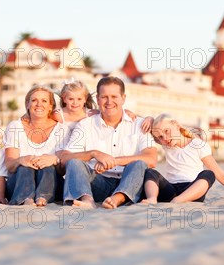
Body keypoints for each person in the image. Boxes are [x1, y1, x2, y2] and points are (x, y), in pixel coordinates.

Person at [59, 76, 157, 209]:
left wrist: (114, 161)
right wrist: (94, 153)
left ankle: (117, 199)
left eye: (114, 96)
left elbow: (151, 159)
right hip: (97, 183)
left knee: (139, 164)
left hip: (130, 183)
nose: (109, 101)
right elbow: (64, 158)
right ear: (98, 99)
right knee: (74, 162)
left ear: (123, 98)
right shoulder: (85, 125)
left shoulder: (139, 124)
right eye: (104, 97)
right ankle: (87, 200)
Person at [142, 113, 224, 204]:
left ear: (176, 125)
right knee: (150, 172)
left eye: (167, 131)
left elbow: (219, 173)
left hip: (192, 191)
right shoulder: (166, 144)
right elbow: (148, 129)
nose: (165, 138)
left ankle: (178, 200)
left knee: (209, 174)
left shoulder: (198, 144)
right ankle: (152, 198)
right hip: (171, 190)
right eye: (160, 137)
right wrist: (149, 118)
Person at [4, 85, 70, 206]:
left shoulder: (61, 129)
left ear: (51, 106)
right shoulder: (15, 126)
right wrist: (20, 160)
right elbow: (9, 165)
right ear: (27, 105)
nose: (39, 104)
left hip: (51, 184)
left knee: (48, 165)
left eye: (44, 101)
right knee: (25, 166)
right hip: (19, 184)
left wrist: (55, 160)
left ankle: (42, 198)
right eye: (34, 100)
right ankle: (26, 199)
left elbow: (62, 170)